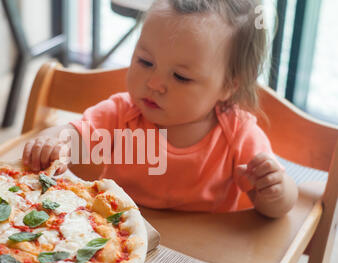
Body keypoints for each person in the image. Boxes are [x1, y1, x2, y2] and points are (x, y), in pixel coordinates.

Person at [22, 0, 298, 218]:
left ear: (228, 87)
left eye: (180, 77)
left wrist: (274, 189)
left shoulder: (238, 134)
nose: (154, 83)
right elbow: (75, 135)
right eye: (145, 62)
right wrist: (53, 141)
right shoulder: (121, 112)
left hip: (200, 258)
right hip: (119, 237)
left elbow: (276, 208)